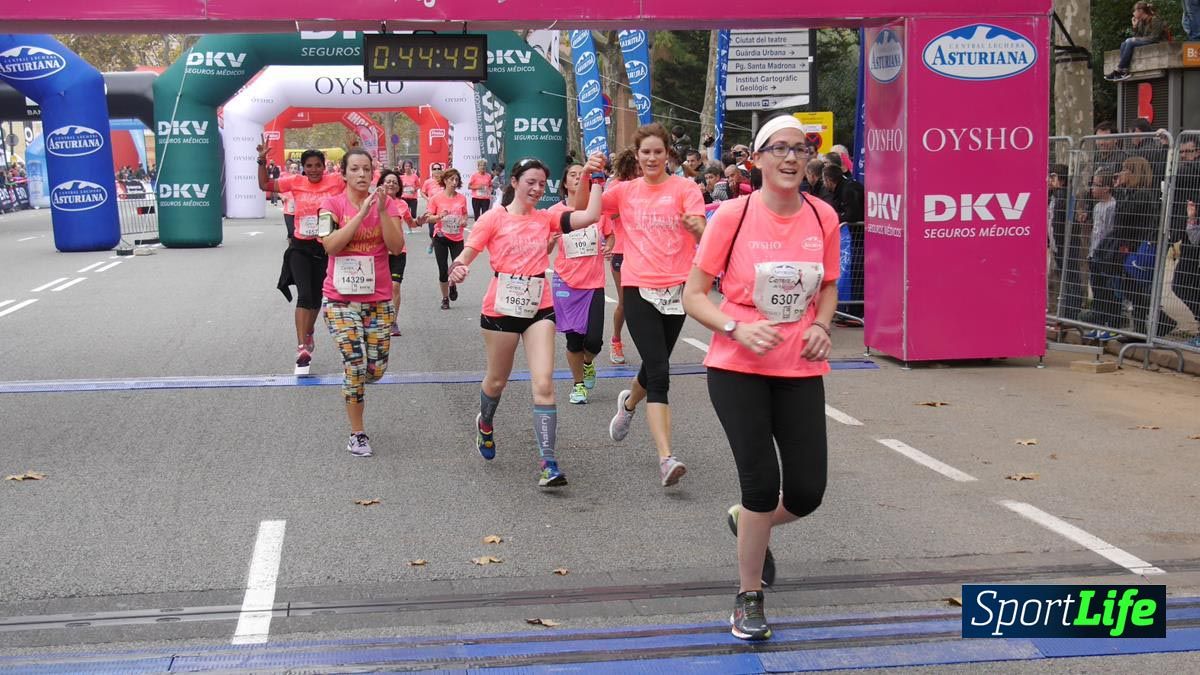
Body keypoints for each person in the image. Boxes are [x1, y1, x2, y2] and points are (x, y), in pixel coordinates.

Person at [682, 114, 838, 642]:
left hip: (799, 365)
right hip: (737, 365)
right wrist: (735, 327)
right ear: (759, 158)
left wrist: (820, 324)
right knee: (760, 483)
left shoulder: (823, 217)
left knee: (807, 491)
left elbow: (831, 287)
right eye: (779, 149)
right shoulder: (732, 214)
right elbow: (694, 295)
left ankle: (747, 521)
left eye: (801, 149)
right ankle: (749, 596)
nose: (791, 158)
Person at [448, 153, 606, 488]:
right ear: (515, 182)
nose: (536, 189)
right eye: (529, 182)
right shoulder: (494, 219)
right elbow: (467, 253)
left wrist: (597, 177)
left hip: (539, 307)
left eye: (541, 184)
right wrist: (458, 268)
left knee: (544, 383)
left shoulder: (547, 218)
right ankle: (486, 424)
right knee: (496, 381)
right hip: (502, 309)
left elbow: (591, 215)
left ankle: (549, 462)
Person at [576, 123, 706, 488]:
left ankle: (629, 405)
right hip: (637, 287)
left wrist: (697, 229)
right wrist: (591, 176)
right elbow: (582, 209)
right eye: (645, 152)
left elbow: (702, 230)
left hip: (678, 287)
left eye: (658, 152)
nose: (651, 158)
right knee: (661, 372)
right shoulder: (625, 192)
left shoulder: (685, 188)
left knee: (655, 363)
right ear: (637, 155)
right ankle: (666, 458)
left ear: (668, 155)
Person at [316, 148, 406, 457]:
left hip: (378, 300)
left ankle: (356, 384)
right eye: (354, 169)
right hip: (340, 300)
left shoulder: (389, 204)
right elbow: (330, 245)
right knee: (355, 365)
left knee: (375, 371)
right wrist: (360, 214)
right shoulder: (330, 205)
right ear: (343, 173)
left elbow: (396, 247)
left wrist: (380, 211)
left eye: (366, 169)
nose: (362, 174)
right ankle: (357, 433)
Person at [259, 142, 344, 375]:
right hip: (299, 246)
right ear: (303, 168)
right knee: (304, 295)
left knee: (316, 298)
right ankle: (301, 348)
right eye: (309, 166)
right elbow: (264, 184)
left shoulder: (337, 181)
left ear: (324, 167)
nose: (314, 169)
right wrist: (261, 160)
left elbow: (359, 184)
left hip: (325, 247)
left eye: (318, 165)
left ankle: (309, 332)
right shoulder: (295, 181)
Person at [549, 163, 615, 405]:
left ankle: (588, 363)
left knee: (594, 341)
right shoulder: (555, 211)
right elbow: (545, 247)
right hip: (565, 281)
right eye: (573, 176)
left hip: (593, 282)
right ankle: (578, 386)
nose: (578, 178)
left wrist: (609, 245)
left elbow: (610, 233)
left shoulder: (597, 210)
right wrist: (552, 238)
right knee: (574, 340)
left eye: (582, 175)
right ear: (565, 183)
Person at [606, 148, 640, 365]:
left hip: (644, 251)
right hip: (622, 251)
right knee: (625, 302)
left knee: (648, 303)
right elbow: (609, 213)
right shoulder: (617, 186)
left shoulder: (645, 184)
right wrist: (628, 206)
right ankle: (616, 340)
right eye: (637, 165)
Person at [423, 168, 469, 310]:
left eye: (457, 180)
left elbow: (465, 215)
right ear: (445, 181)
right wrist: (438, 217)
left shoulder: (461, 198)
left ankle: (452, 284)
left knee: (457, 267)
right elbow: (428, 218)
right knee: (443, 269)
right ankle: (445, 298)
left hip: (457, 237)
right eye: (451, 180)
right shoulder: (436, 198)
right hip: (441, 236)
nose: (454, 183)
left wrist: (464, 221)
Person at [378, 170, 416, 336]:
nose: (391, 184)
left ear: (399, 186)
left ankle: (392, 321)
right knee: (378, 288)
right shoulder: (373, 202)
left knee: (395, 286)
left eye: (394, 182)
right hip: (378, 251)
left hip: (399, 251)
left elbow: (411, 223)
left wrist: (421, 221)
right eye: (388, 181)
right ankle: (379, 319)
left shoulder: (402, 204)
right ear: (381, 184)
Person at [1105, 1, 1167, 82]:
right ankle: (1124, 71)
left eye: (1135, 11)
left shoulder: (1155, 19)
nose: (1133, 13)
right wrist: (1135, 26)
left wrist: (1137, 39)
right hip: (1147, 41)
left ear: (1141, 11)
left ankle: (1120, 70)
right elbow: (1138, 37)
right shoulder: (1141, 22)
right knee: (1124, 43)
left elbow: (1155, 37)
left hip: (1158, 42)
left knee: (1130, 42)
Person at [421, 163, 445, 253]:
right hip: (431, 209)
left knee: (442, 230)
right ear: (432, 171)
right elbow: (422, 192)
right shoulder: (428, 182)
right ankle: (433, 243)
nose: (436, 170)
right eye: (434, 169)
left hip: (442, 209)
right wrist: (428, 199)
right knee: (432, 232)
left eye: (438, 168)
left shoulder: (444, 181)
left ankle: (438, 246)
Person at [399, 161, 421, 229]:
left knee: (413, 215)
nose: (407, 167)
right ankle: (409, 228)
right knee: (406, 214)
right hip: (404, 198)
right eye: (406, 166)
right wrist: (402, 186)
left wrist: (414, 189)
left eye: (409, 166)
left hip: (413, 198)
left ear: (411, 167)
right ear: (403, 167)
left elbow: (418, 186)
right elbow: (399, 187)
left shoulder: (415, 176)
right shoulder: (401, 177)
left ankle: (411, 224)